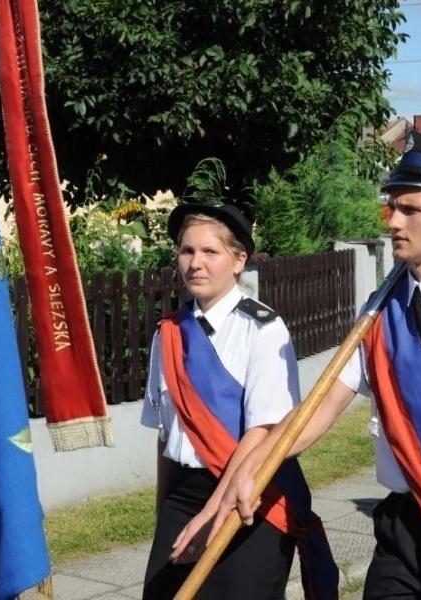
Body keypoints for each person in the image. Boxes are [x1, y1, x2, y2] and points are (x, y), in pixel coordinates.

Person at [210, 132, 421, 599]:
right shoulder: (379, 312)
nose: (393, 220)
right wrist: (252, 470)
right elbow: (320, 408)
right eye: (392, 207)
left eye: (410, 210)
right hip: (402, 528)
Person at [140, 203, 337, 599]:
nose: (196, 263)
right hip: (183, 494)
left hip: (251, 496)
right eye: (187, 251)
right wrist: (164, 511)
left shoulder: (262, 329)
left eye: (210, 252)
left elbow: (262, 432)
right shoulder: (168, 333)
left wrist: (212, 512)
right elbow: (165, 436)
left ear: (238, 261)